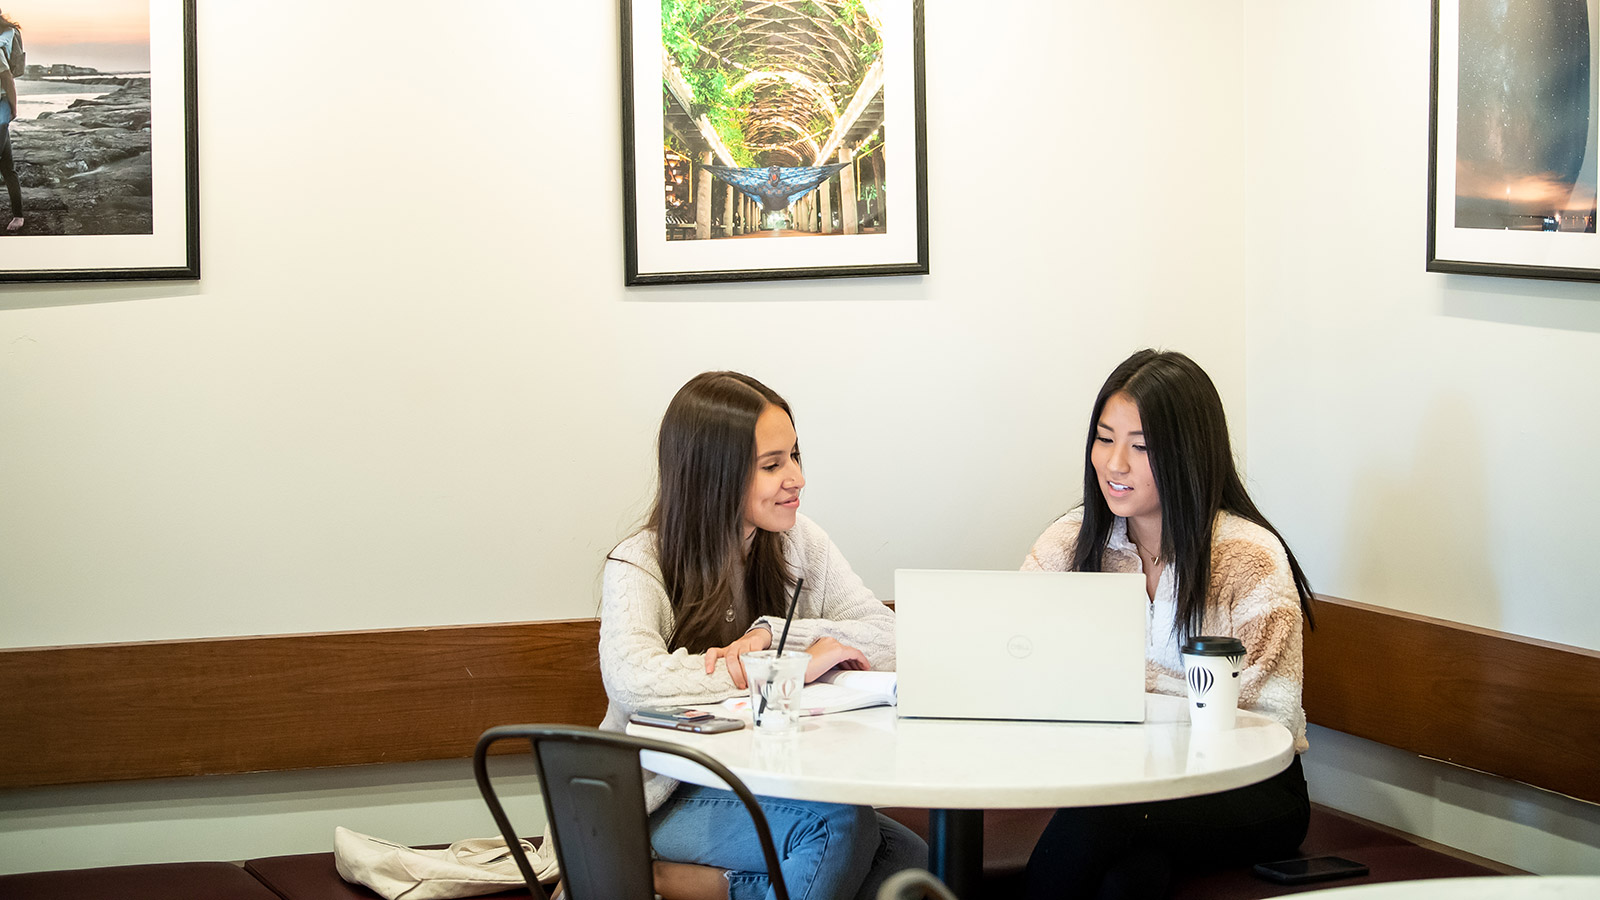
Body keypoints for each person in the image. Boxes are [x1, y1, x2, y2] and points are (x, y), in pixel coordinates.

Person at [599, 370, 927, 900]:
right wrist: (788, 665)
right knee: (834, 828)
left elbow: (888, 635)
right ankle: (658, 870)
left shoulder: (800, 541)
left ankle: (682, 884)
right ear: (713, 475)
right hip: (662, 793)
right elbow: (633, 682)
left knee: (910, 858)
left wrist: (774, 639)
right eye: (773, 465)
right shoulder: (640, 562)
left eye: (795, 456)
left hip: (774, 782)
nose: (795, 478)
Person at [1022, 349, 1316, 900]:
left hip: (1249, 789)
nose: (1114, 464)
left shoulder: (1249, 558)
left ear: (1188, 454)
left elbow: (1265, 722)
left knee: (1107, 817)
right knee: (1126, 880)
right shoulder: (1070, 543)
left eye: (1141, 447)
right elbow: (1017, 659)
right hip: (1124, 784)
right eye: (1105, 439)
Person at [0, 10, 23, 233]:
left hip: (1, 110)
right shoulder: (6, 34)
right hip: (3, 110)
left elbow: (7, 78)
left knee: (8, 168)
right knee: (8, 167)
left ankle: (18, 216)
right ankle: (18, 216)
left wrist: (14, 107)